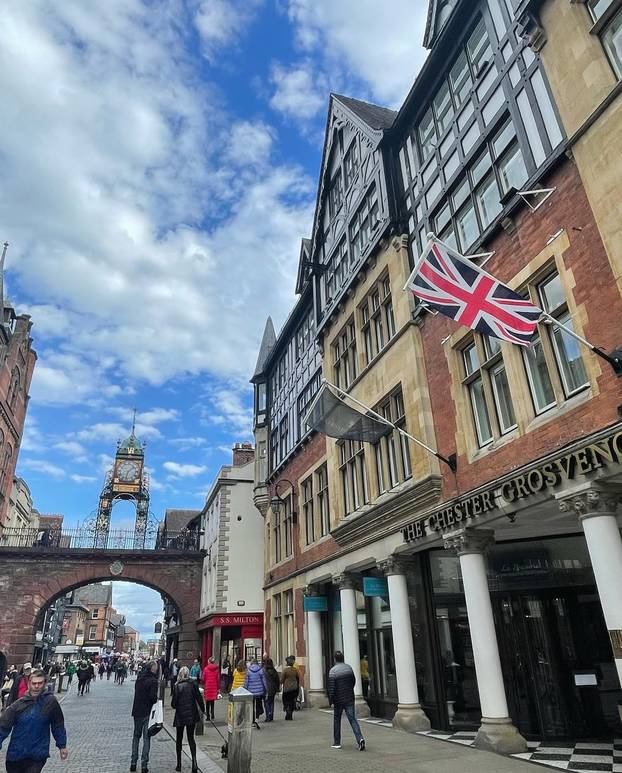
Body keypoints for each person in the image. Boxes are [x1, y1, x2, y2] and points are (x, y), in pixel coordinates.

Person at [0, 667, 68, 772]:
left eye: (40, 683)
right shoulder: (19, 705)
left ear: (44, 683)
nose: (36, 686)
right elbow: (3, 726)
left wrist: (62, 745)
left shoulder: (50, 702)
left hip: (37, 754)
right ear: (29, 684)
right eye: (34, 683)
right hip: (16, 753)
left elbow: (57, 724)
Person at [328, 651, 365, 751]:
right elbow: (353, 681)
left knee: (337, 720)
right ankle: (360, 739)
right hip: (349, 697)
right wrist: (349, 690)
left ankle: (337, 742)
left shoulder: (333, 671)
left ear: (335, 659)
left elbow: (332, 687)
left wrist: (330, 700)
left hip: (338, 699)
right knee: (352, 719)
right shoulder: (349, 668)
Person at [171, 666, 205, 773]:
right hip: (191, 714)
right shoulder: (193, 684)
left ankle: (179, 764)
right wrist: (203, 710)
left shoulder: (177, 686)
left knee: (179, 740)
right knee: (191, 739)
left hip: (180, 716)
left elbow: (173, 704)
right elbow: (199, 698)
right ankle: (194, 764)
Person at [130, 661, 158, 773]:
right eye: (155, 667)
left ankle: (133, 762)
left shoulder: (139, 679)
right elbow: (153, 697)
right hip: (147, 711)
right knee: (147, 738)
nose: (157, 669)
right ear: (152, 668)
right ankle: (144, 765)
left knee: (136, 736)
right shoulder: (153, 681)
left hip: (137, 711)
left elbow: (136, 692)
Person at [243, 658, 267, 728]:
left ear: (251, 663)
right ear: (257, 663)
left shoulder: (248, 671)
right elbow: (264, 681)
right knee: (258, 705)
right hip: (259, 692)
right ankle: (257, 719)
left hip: (251, 691)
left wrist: (245, 689)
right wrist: (266, 689)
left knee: (252, 706)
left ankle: (252, 721)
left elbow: (246, 682)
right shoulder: (261, 670)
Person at [280, 656, 299, 721]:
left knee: (285, 700)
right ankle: (290, 714)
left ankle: (287, 711)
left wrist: (281, 684)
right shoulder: (295, 670)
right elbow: (297, 678)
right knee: (292, 701)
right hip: (294, 688)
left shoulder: (285, 670)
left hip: (287, 688)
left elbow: (282, 679)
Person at [201, 657, 219, 722]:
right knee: (212, 702)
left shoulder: (206, 669)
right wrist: (218, 688)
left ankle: (208, 716)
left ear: (209, 662)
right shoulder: (216, 669)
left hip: (208, 687)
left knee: (207, 702)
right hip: (214, 687)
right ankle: (213, 714)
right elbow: (217, 679)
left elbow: (203, 678)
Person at [263, 658, 280, 723]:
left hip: (266, 689)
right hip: (273, 689)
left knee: (266, 702)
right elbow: (277, 680)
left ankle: (268, 716)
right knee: (271, 702)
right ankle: (271, 715)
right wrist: (277, 688)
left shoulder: (264, 670)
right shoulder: (274, 670)